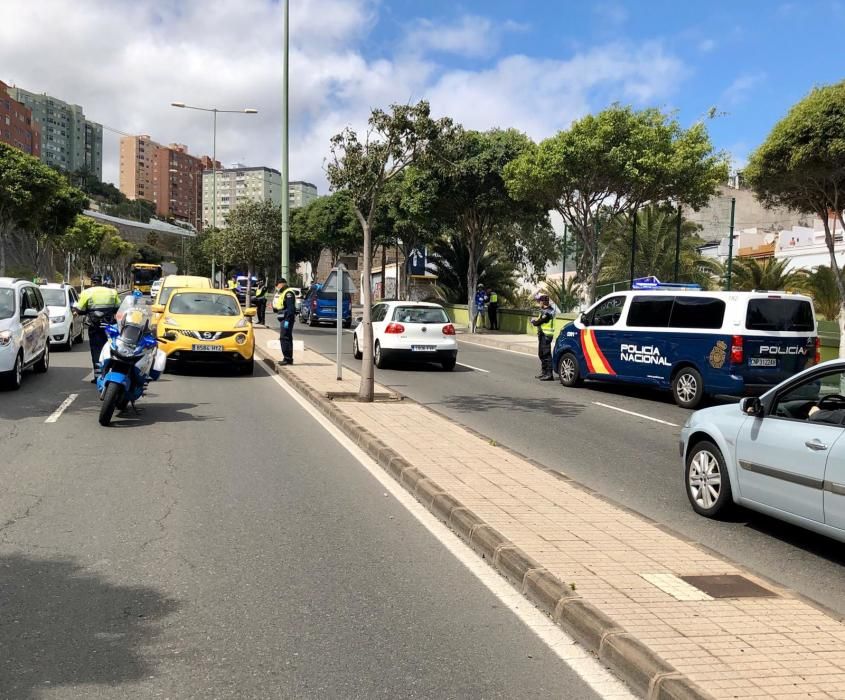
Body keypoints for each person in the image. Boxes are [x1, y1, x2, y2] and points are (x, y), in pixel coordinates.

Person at [74, 274, 121, 383]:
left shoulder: (87, 292)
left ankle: (98, 376)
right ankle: (112, 372)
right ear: (102, 281)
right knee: (112, 348)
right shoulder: (112, 292)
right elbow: (119, 307)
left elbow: (80, 309)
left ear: (92, 282)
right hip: (109, 327)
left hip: (95, 326)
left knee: (96, 350)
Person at [530, 293, 555, 381]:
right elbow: (540, 320)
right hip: (542, 334)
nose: (538, 303)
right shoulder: (544, 310)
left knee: (546, 354)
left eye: (539, 301)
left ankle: (549, 374)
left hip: (546, 335)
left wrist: (533, 321)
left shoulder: (548, 312)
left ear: (542, 302)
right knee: (541, 354)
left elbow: (540, 321)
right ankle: (544, 372)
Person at [272, 278, 297, 365]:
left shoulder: (288, 293)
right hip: (285, 319)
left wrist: (287, 321)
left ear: (282, 284)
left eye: (277, 285)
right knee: (286, 337)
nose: (276, 287)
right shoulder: (284, 292)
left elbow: (291, 309)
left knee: (284, 337)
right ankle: (288, 358)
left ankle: (287, 358)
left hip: (287, 319)